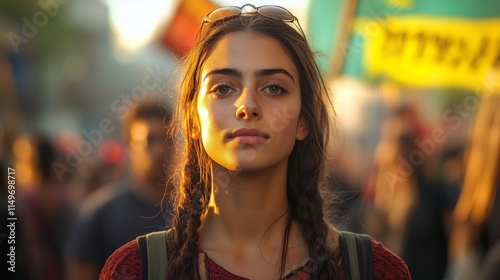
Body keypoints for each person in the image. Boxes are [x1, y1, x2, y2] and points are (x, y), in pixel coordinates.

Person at [100, 4, 411, 279]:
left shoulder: (374, 270)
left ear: (303, 120)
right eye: (223, 88)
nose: (247, 105)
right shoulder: (134, 270)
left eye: (274, 88)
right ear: (194, 120)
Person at [67, 96, 176, 280]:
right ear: (129, 146)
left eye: (167, 140)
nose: (159, 151)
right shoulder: (100, 212)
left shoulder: (197, 211)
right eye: (149, 140)